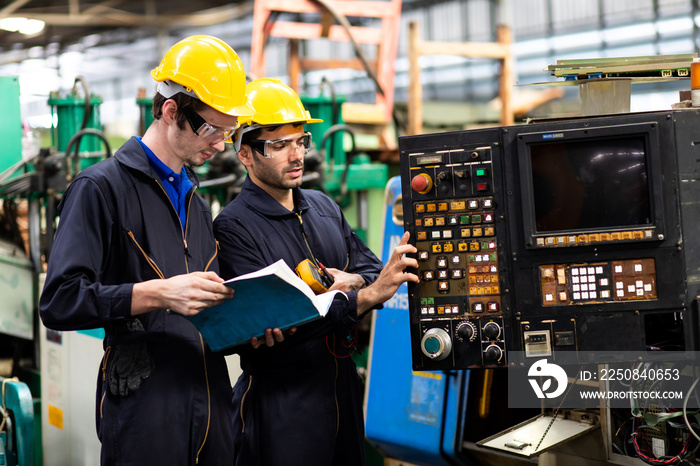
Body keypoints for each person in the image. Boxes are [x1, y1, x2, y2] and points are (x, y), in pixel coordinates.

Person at [39, 35, 253, 466]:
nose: (218, 145)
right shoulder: (100, 188)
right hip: (145, 407)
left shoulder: (196, 198)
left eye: (228, 133)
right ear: (171, 110)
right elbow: (60, 301)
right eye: (210, 129)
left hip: (210, 399)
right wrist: (157, 293)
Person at [213, 77, 419, 466]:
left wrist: (356, 281)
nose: (295, 156)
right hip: (282, 402)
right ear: (244, 154)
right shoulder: (233, 226)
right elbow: (278, 319)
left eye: (300, 141)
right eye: (278, 145)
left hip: (340, 388)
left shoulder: (323, 207)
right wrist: (365, 295)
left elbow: (373, 268)